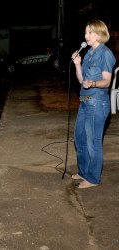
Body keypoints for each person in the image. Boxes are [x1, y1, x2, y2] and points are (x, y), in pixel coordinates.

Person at [71, 19, 116, 189]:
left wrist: (94, 84)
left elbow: (106, 81)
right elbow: (82, 80)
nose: (86, 36)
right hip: (84, 102)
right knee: (80, 139)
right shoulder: (89, 53)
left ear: (99, 34)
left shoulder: (105, 54)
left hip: (97, 103)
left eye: (90, 32)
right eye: (85, 32)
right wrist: (77, 64)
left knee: (93, 142)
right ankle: (83, 171)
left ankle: (93, 178)